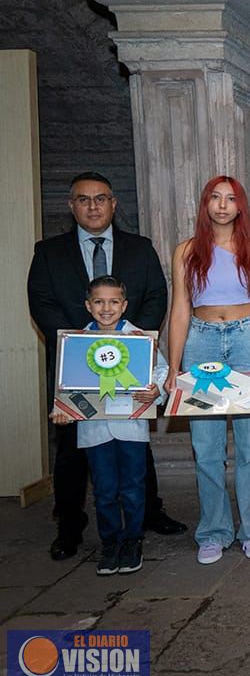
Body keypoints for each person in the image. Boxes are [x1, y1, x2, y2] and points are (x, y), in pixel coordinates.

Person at [28, 171, 185, 562]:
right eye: (83, 199)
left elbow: (155, 296)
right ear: (72, 206)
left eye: (101, 198)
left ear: (114, 204)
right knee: (71, 449)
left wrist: (134, 343)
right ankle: (70, 525)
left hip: (130, 362)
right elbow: (41, 303)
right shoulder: (49, 252)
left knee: (133, 445)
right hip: (75, 368)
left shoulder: (139, 247)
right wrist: (85, 344)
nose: (93, 206)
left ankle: (147, 513)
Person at [164, 176, 250, 565]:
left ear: (240, 206)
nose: (223, 205)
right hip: (201, 342)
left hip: (246, 338)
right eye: (216, 197)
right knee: (206, 448)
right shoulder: (186, 251)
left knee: (249, 446)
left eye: (231, 199)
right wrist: (174, 365)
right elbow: (179, 309)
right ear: (206, 204)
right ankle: (213, 532)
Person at [49, 276, 168, 575]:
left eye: (113, 301)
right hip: (94, 430)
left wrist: (157, 390)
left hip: (132, 429)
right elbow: (66, 384)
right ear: (88, 306)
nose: (106, 308)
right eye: (99, 302)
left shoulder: (140, 340)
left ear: (124, 305)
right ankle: (110, 542)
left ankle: (132, 540)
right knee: (103, 490)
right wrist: (61, 410)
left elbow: (162, 371)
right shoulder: (75, 343)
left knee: (132, 487)